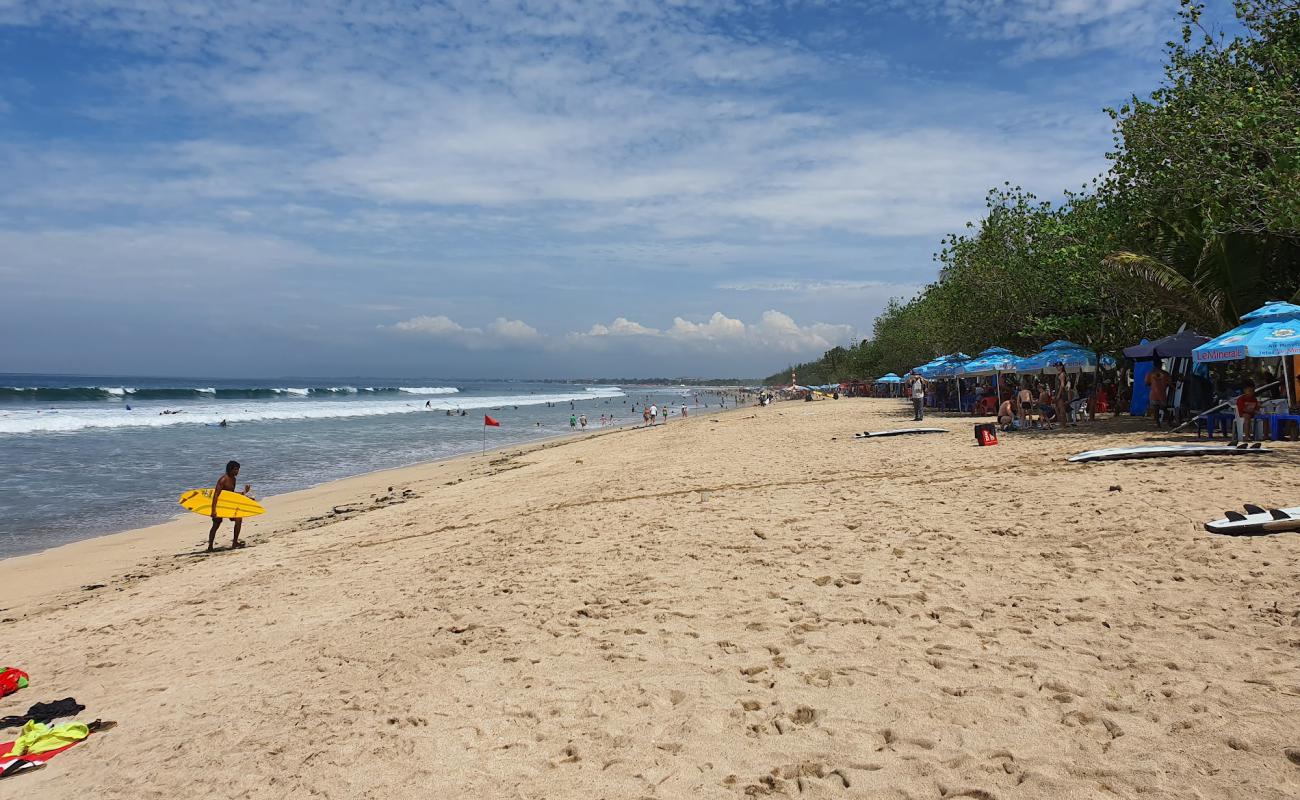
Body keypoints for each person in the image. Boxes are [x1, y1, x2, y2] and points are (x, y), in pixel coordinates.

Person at [207, 460, 251, 552]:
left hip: (227, 505)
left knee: (238, 519)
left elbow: (231, 495)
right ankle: (210, 546)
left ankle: (234, 543)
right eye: (236, 469)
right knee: (216, 524)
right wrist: (213, 510)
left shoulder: (233, 479)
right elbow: (216, 495)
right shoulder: (223, 480)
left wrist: (244, 493)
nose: (237, 471)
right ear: (230, 469)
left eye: (238, 469)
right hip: (219, 505)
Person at [1146, 363, 1172, 427]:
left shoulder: (1150, 373)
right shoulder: (1166, 374)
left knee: (1156, 409)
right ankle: (1169, 422)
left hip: (1154, 394)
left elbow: (1147, 383)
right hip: (1162, 394)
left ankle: (1158, 423)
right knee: (1164, 409)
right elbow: (1169, 383)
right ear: (1161, 365)